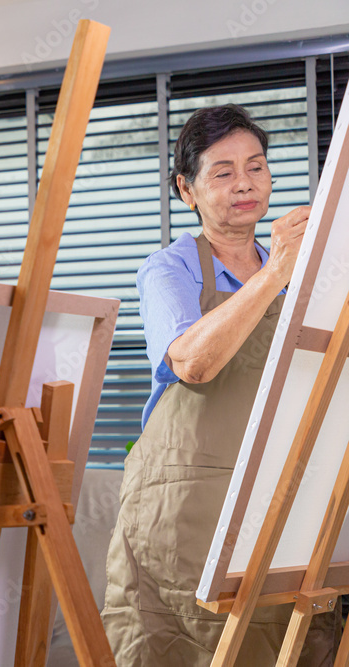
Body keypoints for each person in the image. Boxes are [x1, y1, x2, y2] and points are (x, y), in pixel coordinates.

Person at [101, 104, 340, 665]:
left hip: (276, 504)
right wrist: (276, 271)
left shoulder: (305, 276)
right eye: (223, 172)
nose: (244, 184)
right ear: (188, 189)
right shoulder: (169, 268)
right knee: (183, 645)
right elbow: (193, 362)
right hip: (183, 511)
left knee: (281, 642)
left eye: (255, 167)